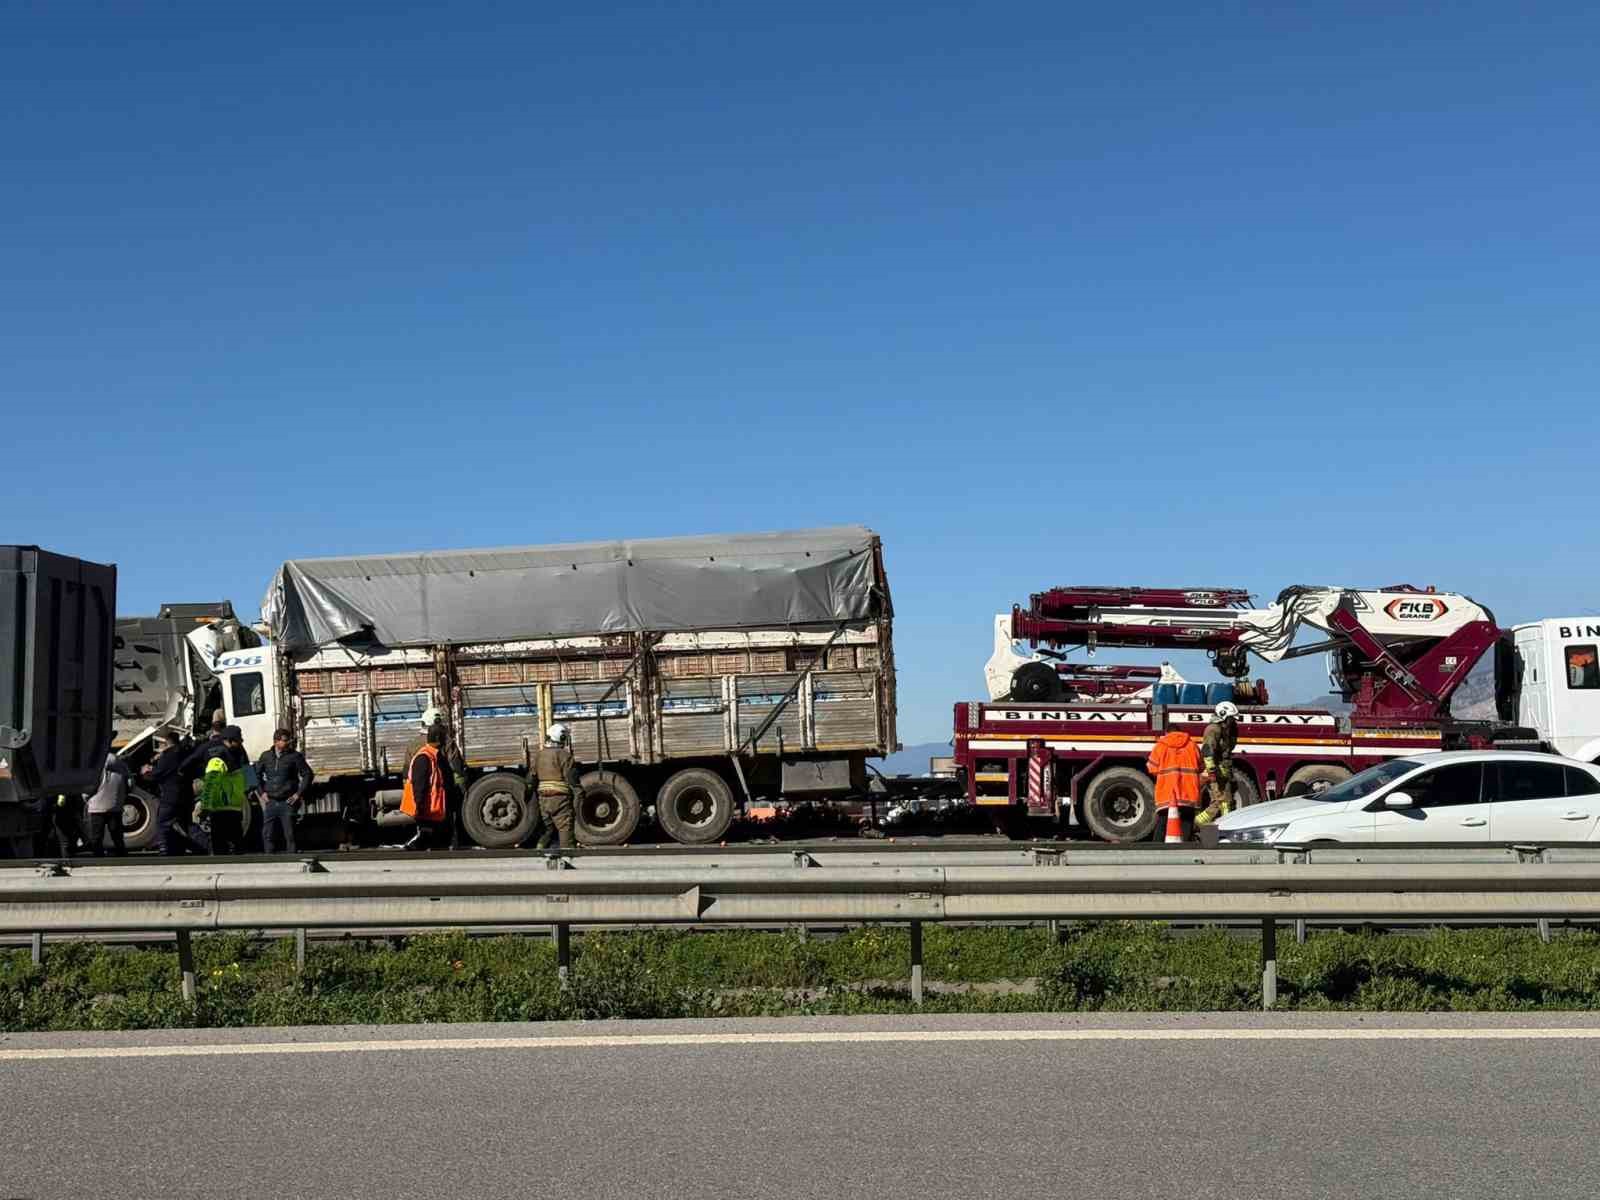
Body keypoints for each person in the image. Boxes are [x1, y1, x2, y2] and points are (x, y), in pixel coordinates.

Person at [401, 722, 461, 850]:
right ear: (439, 739)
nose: (447, 741)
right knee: (423, 843)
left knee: (438, 845)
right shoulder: (424, 757)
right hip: (427, 813)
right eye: (445, 737)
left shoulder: (437, 756)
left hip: (436, 813)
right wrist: (419, 808)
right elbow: (419, 786)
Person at [255, 728, 314, 854]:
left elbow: (308, 774)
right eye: (285, 741)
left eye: (288, 740)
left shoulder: (295, 756)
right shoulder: (266, 756)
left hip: (287, 802)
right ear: (276, 741)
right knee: (267, 834)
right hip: (270, 801)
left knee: (290, 834)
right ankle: (269, 861)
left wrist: (298, 794)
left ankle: (292, 861)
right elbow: (256, 775)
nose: (287, 743)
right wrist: (261, 793)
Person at [197, 727, 250, 854]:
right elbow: (210, 786)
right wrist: (205, 808)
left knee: (231, 849)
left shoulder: (234, 756)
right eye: (238, 741)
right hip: (223, 811)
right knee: (227, 849)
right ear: (229, 741)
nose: (241, 744)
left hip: (230, 810)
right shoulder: (218, 759)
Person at [1145, 727, 1203, 843]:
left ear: (1167, 732)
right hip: (1189, 792)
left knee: (1163, 820)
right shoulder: (1192, 745)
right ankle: (1185, 847)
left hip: (1167, 792)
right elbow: (1201, 766)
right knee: (1187, 820)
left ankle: (1156, 848)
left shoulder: (1160, 746)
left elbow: (1152, 768)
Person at [142, 729, 194, 855]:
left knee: (163, 822)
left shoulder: (167, 756)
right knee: (184, 823)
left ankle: (164, 849)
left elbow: (158, 774)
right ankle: (187, 847)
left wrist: (147, 771)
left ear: (166, 742)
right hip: (186, 794)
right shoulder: (185, 752)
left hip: (171, 795)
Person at [530, 723, 582, 850]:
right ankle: (567, 855)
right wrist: (580, 793)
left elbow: (532, 777)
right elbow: (572, 779)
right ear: (561, 738)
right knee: (565, 828)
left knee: (548, 829)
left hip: (543, 799)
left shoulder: (539, 755)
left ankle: (539, 851)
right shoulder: (564, 755)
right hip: (560, 799)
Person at [1195, 701, 1241, 826]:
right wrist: (1212, 771)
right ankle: (1196, 824)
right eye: (1231, 718)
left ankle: (1225, 825)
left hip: (1223, 771)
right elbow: (1207, 750)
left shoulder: (1224, 730)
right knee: (1220, 802)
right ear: (1223, 715)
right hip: (1215, 772)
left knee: (1226, 801)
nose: (1233, 722)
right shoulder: (1213, 730)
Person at [85, 752, 131, 856]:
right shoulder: (122, 766)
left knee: (97, 836)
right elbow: (130, 784)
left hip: (96, 806)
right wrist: (122, 797)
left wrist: (87, 799)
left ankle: (98, 856)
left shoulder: (95, 766)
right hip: (116, 805)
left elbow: (87, 786)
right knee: (117, 835)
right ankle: (122, 854)